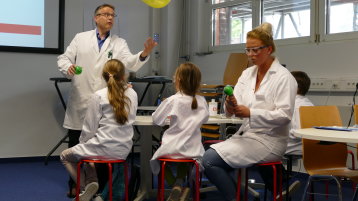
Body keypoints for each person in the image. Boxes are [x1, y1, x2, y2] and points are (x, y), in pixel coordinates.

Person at [57, 3, 156, 197]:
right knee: (76, 142)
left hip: (103, 99)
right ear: (96, 18)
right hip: (81, 97)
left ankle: (97, 186)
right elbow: (64, 58)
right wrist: (67, 67)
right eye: (106, 14)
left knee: (99, 147)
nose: (110, 18)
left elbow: (129, 63)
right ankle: (76, 185)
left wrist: (144, 53)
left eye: (113, 15)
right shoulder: (81, 38)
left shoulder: (119, 43)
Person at [202, 22, 297, 201]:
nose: (251, 55)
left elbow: (284, 116)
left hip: (271, 140)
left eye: (256, 50)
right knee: (205, 158)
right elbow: (232, 108)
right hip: (247, 136)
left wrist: (251, 113)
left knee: (209, 160)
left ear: (269, 49)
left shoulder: (284, 77)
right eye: (248, 50)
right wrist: (230, 106)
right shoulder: (247, 74)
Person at [60, 59, 138, 201]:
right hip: (123, 151)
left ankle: (86, 189)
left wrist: (82, 144)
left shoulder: (99, 95)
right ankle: (95, 191)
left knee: (66, 156)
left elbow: (89, 128)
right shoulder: (132, 94)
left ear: (104, 76)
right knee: (88, 154)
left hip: (102, 147)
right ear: (123, 75)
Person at [150, 62, 209, 201]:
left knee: (156, 161)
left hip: (172, 147)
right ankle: (181, 183)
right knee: (185, 160)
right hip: (193, 150)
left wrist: (170, 118)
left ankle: (176, 186)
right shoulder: (201, 100)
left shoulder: (173, 100)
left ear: (178, 80)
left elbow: (156, 120)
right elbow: (205, 119)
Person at [258, 70, 314, 200]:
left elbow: (299, 132)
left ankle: (280, 189)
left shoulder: (294, 105)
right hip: (307, 146)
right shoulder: (309, 104)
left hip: (295, 145)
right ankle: (283, 178)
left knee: (260, 151)